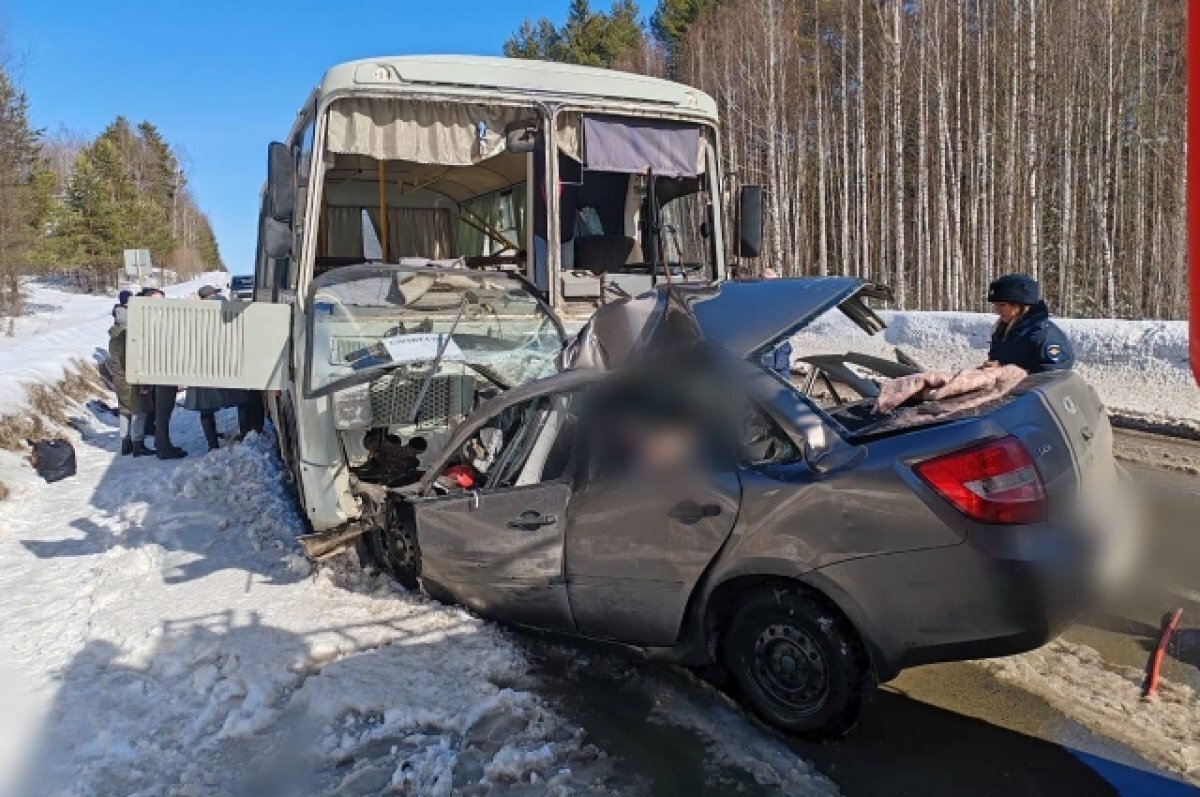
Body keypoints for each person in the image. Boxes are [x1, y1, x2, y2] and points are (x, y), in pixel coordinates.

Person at [184, 286, 254, 451]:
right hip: (229, 362)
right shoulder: (230, 308)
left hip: (202, 366)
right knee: (243, 399)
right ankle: (244, 434)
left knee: (205, 408)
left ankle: (212, 444)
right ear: (214, 294)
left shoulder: (194, 314)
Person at [985, 274, 1075, 373]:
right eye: (996, 305)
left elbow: (1052, 379)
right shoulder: (1003, 330)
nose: (998, 311)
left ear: (1019, 305)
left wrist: (1004, 372)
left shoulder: (1045, 336)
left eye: (1002, 305)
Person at [137, 287, 188, 459]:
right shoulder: (147, 322)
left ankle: (163, 445)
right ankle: (164, 448)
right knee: (162, 412)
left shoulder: (156, 319)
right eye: (157, 299)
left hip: (166, 370)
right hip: (160, 371)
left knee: (165, 410)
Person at [107, 300, 154, 456]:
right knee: (139, 411)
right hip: (131, 378)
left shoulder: (114, 335)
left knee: (124, 410)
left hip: (119, 378)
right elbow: (132, 359)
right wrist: (142, 381)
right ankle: (137, 443)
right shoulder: (126, 336)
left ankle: (125, 442)